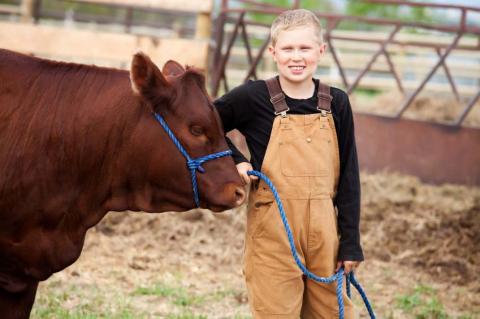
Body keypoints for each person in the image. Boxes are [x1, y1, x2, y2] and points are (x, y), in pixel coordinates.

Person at [214, 9, 363, 319]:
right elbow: (206, 126)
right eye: (288, 48)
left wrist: (350, 243)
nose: (297, 57)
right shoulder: (252, 97)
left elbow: (350, 174)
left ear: (321, 51)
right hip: (273, 233)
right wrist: (236, 161)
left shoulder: (337, 102)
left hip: (325, 235)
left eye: (305, 48)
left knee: (333, 314)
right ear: (273, 52)